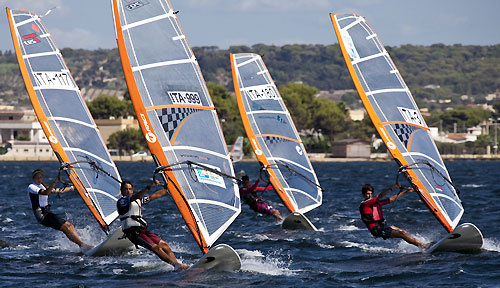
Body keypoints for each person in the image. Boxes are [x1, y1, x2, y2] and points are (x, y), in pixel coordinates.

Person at [117, 179, 188, 270]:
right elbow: (135, 197)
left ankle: (177, 265)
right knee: (156, 248)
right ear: (122, 191)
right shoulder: (122, 201)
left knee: (164, 245)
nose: (128, 191)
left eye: (130, 189)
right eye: (126, 189)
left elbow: (155, 196)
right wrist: (148, 187)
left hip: (142, 230)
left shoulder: (138, 201)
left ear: (132, 190)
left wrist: (168, 188)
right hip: (133, 232)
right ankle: (177, 266)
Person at [27, 168, 92, 251]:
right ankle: (83, 246)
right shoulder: (32, 187)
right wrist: (55, 182)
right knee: (66, 228)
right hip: (41, 215)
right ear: (33, 178)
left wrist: (73, 187)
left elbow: (58, 191)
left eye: (40, 177)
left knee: (69, 226)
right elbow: (46, 192)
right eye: (37, 177)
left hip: (47, 213)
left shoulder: (42, 186)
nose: (39, 179)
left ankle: (82, 245)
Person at [359, 183, 426, 248]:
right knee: (402, 234)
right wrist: (393, 187)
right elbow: (380, 196)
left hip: (382, 226)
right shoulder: (365, 204)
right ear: (363, 195)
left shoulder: (376, 203)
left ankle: (421, 244)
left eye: (371, 194)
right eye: (368, 194)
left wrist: (406, 192)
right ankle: (423, 246)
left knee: (403, 231)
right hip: (377, 229)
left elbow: (392, 199)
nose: (370, 196)